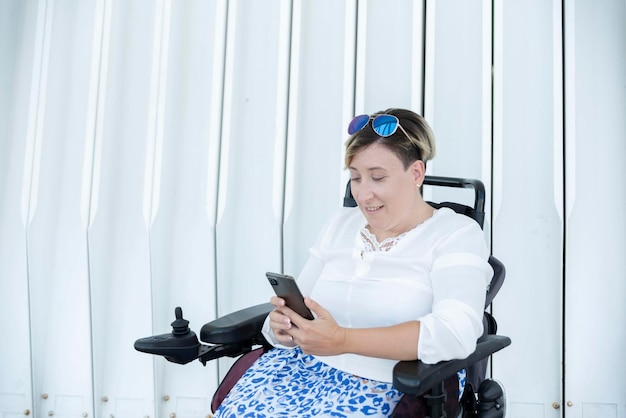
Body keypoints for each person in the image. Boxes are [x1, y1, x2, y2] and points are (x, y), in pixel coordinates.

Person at [214, 108, 493, 417]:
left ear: (415, 173)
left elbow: (455, 334)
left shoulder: (455, 234)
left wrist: (343, 340)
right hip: (301, 370)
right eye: (356, 178)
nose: (363, 194)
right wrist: (280, 327)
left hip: (384, 382)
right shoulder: (341, 223)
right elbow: (296, 308)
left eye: (378, 177)